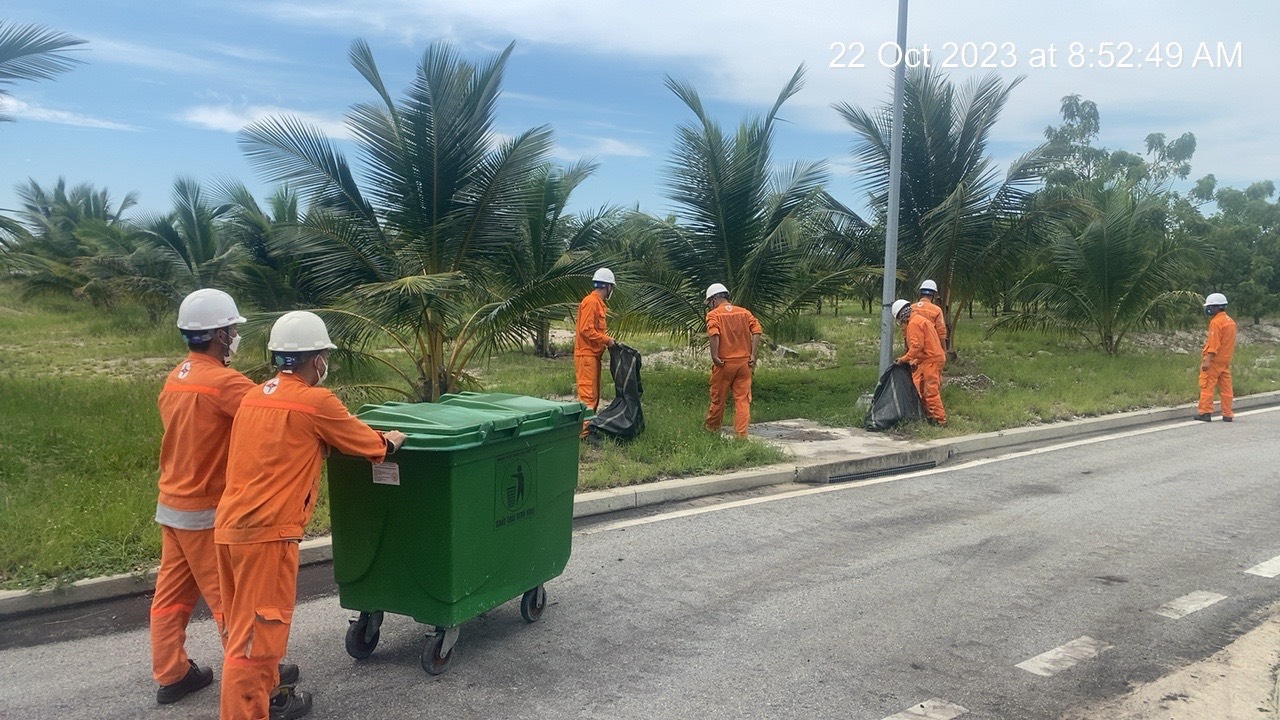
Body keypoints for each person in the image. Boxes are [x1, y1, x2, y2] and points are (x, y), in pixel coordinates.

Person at [215, 311, 406, 720]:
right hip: (268, 532)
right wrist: (389, 442)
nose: (325, 364)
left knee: (244, 624)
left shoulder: (253, 394)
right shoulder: (315, 401)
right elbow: (366, 444)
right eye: (323, 357)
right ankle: (248, 711)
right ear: (315, 358)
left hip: (230, 526)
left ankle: (273, 692)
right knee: (255, 638)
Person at [151, 289, 296, 705]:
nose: (235, 335)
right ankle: (261, 684)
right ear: (217, 334)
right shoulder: (225, 383)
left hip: (172, 506)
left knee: (171, 599)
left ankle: (172, 673)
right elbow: (273, 416)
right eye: (232, 330)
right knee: (232, 606)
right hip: (207, 511)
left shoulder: (177, 375)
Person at [704, 283, 762, 438]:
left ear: (715, 299)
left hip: (724, 364)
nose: (710, 306)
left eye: (709, 303)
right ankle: (741, 435)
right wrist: (752, 354)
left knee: (718, 399)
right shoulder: (744, 312)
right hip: (744, 363)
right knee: (742, 400)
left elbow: (714, 334)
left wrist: (715, 356)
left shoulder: (713, 315)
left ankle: (712, 430)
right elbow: (757, 331)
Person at [575, 268, 617, 437]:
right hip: (586, 355)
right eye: (611, 287)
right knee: (588, 396)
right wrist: (607, 340)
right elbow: (586, 329)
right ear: (607, 286)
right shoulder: (591, 302)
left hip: (593, 355)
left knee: (594, 395)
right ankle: (583, 435)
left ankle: (588, 429)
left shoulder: (599, 303)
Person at [893, 298, 947, 426]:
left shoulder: (913, 324)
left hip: (931, 361)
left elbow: (917, 347)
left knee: (930, 392)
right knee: (923, 390)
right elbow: (927, 345)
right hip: (930, 359)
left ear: (901, 315)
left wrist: (903, 359)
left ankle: (940, 420)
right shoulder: (919, 320)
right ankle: (930, 416)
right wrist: (915, 361)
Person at [1195, 292, 1236, 422]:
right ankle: (1228, 414)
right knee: (1226, 389)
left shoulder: (1216, 322)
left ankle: (1205, 413)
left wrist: (1207, 360)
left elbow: (1214, 344)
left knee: (1207, 386)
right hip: (1225, 361)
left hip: (1214, 361)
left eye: (1211, 307)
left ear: (1217, 307)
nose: (1209, 309)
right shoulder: (1230, 322)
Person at [913, 279, 948, 349]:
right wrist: (944, 350)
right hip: (930, 347)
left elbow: (905, 328)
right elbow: (941, 331)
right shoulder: (936, 310)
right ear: (934, 295)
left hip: (914, 346)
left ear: (920, 293)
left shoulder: (912, 308)